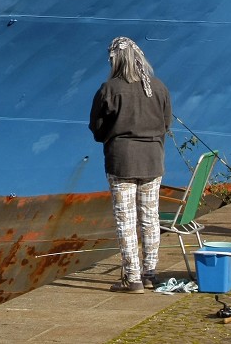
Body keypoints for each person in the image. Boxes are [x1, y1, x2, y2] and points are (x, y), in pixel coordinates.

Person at [89, 36, 172, 292]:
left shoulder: (109, 89)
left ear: (115, 60)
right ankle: (150, 272)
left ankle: (132, 277)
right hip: (152, 159)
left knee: (126, 220)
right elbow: (166, 124)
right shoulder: (159, 87)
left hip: (122, 161)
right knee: (150, 218)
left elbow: (97, 128)